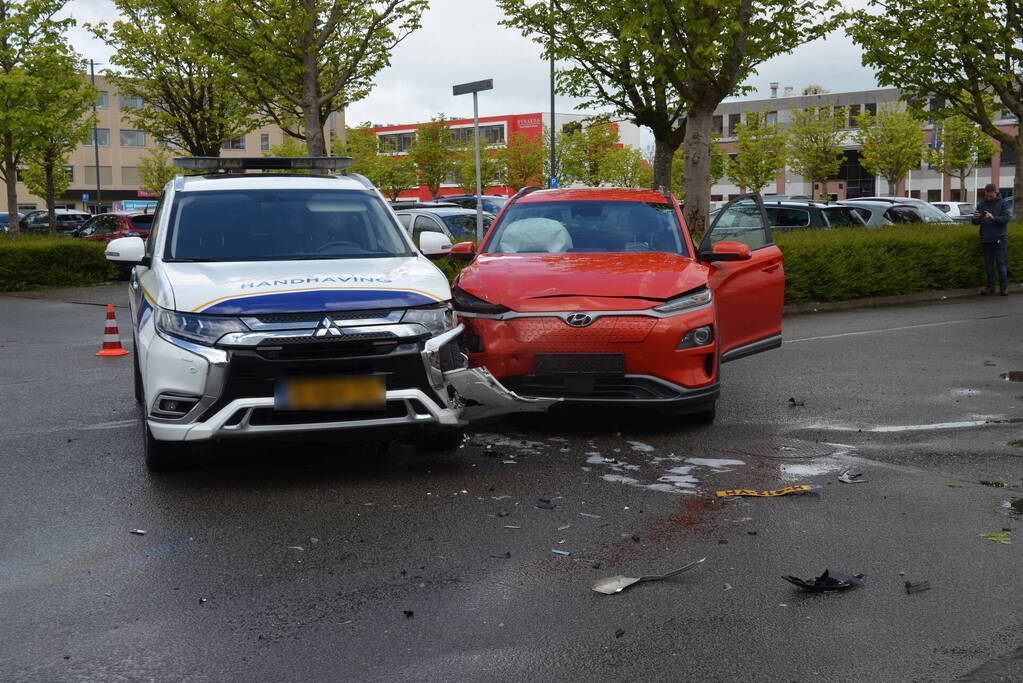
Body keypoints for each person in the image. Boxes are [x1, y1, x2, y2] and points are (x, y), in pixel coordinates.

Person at [971, 183, 1010, 296]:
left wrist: (993, 217)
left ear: (995, 193)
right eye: (987, 196)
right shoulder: (982, 204)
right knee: (989, 265)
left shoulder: (1003, 203)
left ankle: (1003, 288)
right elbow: (975, 222)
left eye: (991, 196)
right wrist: (974, 218)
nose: (989, 198)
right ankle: (990, 287)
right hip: (986, 239)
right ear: (985, 192)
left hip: (999, 239)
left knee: (1000, 263)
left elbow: (1006, 218)